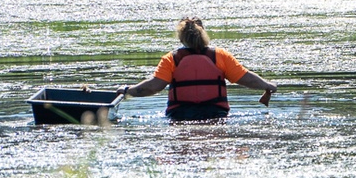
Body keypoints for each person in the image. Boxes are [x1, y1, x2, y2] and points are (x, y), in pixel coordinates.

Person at [116, 17, 277, 121]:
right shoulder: (220, 56)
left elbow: (152, 87)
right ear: (204, 34)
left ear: (180, 37)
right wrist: (267, 85)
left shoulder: (171, 59)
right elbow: (246, 78)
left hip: (180, 116)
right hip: (216, 115)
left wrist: (126, 90)